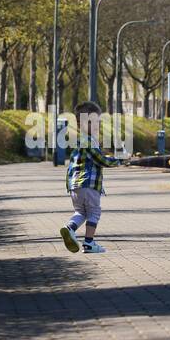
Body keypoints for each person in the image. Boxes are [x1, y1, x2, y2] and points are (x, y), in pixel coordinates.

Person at [60, 101, 118, 254]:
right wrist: (119, 160)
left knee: (81, 212)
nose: (99, 125)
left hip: (74, 186)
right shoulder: (89, 141)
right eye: (97, 122)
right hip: (88, 184)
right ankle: (89, 242)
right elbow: (101, 160)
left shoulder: (80, 141)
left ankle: (69, 228)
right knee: (94, 212)